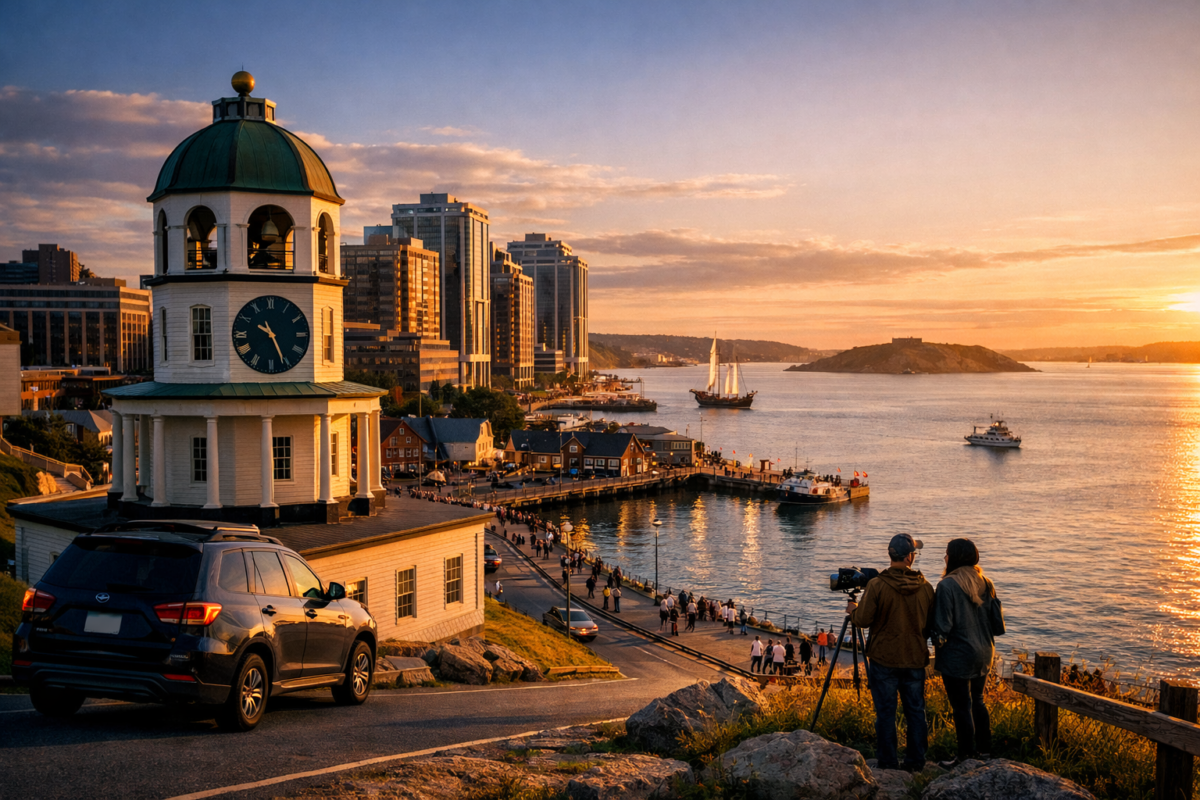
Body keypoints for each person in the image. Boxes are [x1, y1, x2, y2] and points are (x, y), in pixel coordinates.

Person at [846, 533, 935, 772]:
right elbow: (930, 625)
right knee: (916, 712)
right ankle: (916, 762)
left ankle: (887, 761)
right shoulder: (926, 588)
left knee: (885, 712)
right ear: (909, 558)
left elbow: (863, 621)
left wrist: (853, 610)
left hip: (884, 659)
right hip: (915, 658)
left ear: (891, 555)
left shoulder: (877, 585)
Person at [932, 538, 1002, 767]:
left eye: (947, 553)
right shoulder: (987, 583)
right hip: (984, 652)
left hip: (958, 655)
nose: (944, 557)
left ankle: (965, 756)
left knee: (961, 706)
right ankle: (985, 752)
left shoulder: (947, 586)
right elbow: (996, 624)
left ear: (954, 557)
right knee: (978, 701)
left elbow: (943, 627)